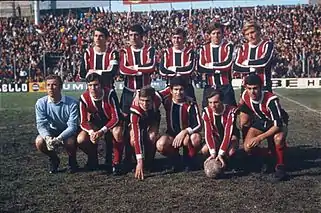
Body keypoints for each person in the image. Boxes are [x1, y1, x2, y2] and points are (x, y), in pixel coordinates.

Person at [119, 24, 157, 166]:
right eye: (130, 35)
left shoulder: (149, 50)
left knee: (148, 125)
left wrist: (133, 68)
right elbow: (123, 69)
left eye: (136, 35)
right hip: (128, 93)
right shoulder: (124, 51)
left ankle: (148, 159)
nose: (133, 38)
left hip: (146, 93)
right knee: (126, 125)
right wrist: (141, 69)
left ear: (142, 36)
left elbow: (152, 67)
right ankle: (127, 158)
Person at [239, 74, 288, 181]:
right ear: (246, 88)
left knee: (278, 139)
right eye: (249, 88)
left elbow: (278, 125)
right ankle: (269, 155)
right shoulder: (245, 95)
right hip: (262, 120)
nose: (252, 91)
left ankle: (280, 166)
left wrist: (259, 138)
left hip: (278, 122)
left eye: (255, 88)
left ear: (261, 87)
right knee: (247, 146)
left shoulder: (271, 100)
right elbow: (242, 105)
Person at [232, 20, 275, 141]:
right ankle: (249, 149)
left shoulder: (267, 45)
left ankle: (272, 149)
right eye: (247, 34)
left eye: (253, 32)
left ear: (259, 31)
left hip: (264, 87)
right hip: (246, 89)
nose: (251, 36)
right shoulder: (242, 48)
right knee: (244, 120)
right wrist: (253, 67)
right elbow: (236, 66)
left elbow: (265, 61)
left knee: (269, 119)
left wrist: (247, 63)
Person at [77, 73, 123, 175]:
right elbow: (83, 121)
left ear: (101, 85)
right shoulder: (84, 98)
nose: (93, 88)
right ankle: (93, 158)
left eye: (95, 85)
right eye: (90, 85)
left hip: (111, 123)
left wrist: (102, 131)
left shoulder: (110, 93)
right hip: (95, 125)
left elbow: (116, 117)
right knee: (81, 139)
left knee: (117, 132)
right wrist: (91, 132)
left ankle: (116, 162)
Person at [34, 74, 79, 174]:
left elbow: (72, 126)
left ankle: (72, 161)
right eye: (48, 85)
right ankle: (54, 159)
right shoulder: (41, 103)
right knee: (39, 142)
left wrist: (60, 138)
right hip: (52, 131)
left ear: (60, 87)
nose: (51, 88)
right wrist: (47, 137)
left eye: (54, 85)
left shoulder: (72, 103)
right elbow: (41, 124)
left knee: (70, 142)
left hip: (67, 132)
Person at [156, 76, 202, 172]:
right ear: (171, 91)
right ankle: (175, 158)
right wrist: (138, 94)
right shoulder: (167, 100)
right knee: (161, 144)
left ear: (185, 90)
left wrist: (185, 131)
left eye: (181, 89)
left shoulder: (191, 103)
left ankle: (189, 159)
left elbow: (199, 124)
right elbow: (154, 95)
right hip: (172, 134)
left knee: (195, 138)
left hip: (187, 135)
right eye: (176, 89)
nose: (178, 92)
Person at [198, 22, 237, 108]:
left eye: (219, 33)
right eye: (213, 33)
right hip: (209, 85)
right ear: (209, 35)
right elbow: (201, 67)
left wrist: (210, 65)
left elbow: (227, 65)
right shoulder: (204, 48)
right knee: (207, 113)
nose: (216, 35)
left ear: (223, 34)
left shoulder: (228, 46)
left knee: (229, 112)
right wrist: (218, 69)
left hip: (225, 86)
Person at [201, 89, 239, 171]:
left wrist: (221, 153)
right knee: (205, 149)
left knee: (231, 152)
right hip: (216, 137)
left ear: (222, 101)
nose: (213, 105)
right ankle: (214, 162)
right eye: (210, 102)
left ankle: (229, 162)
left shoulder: (231, 111)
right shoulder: (206, 112)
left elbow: (228, 134)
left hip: (230, 137)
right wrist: (213, 153)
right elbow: (208, 134)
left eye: (216, 102)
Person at [129, 86, 162, 180]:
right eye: (142, 100)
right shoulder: (135, 110)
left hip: (152, 119)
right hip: (139, 120)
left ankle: (149, 162)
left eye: (147, 101)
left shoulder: (158, 99)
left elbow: (169, 89)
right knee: (133, 139)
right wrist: (139, 160)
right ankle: (134, 161)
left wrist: (187, 97)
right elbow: (136, 135)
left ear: (153, 100)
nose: (144, 104)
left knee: (152, 136)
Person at [159, 27, 196, 100]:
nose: (176, 41)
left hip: (186, 87)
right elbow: (162, 71)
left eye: (179, 38)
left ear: (184, 39)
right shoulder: (167, 52)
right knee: (171, 109)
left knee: (191, 109)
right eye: (174, 38)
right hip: (170, 87)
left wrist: (173, 68)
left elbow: (189, 69)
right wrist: (181, 70)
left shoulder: (189, 52)